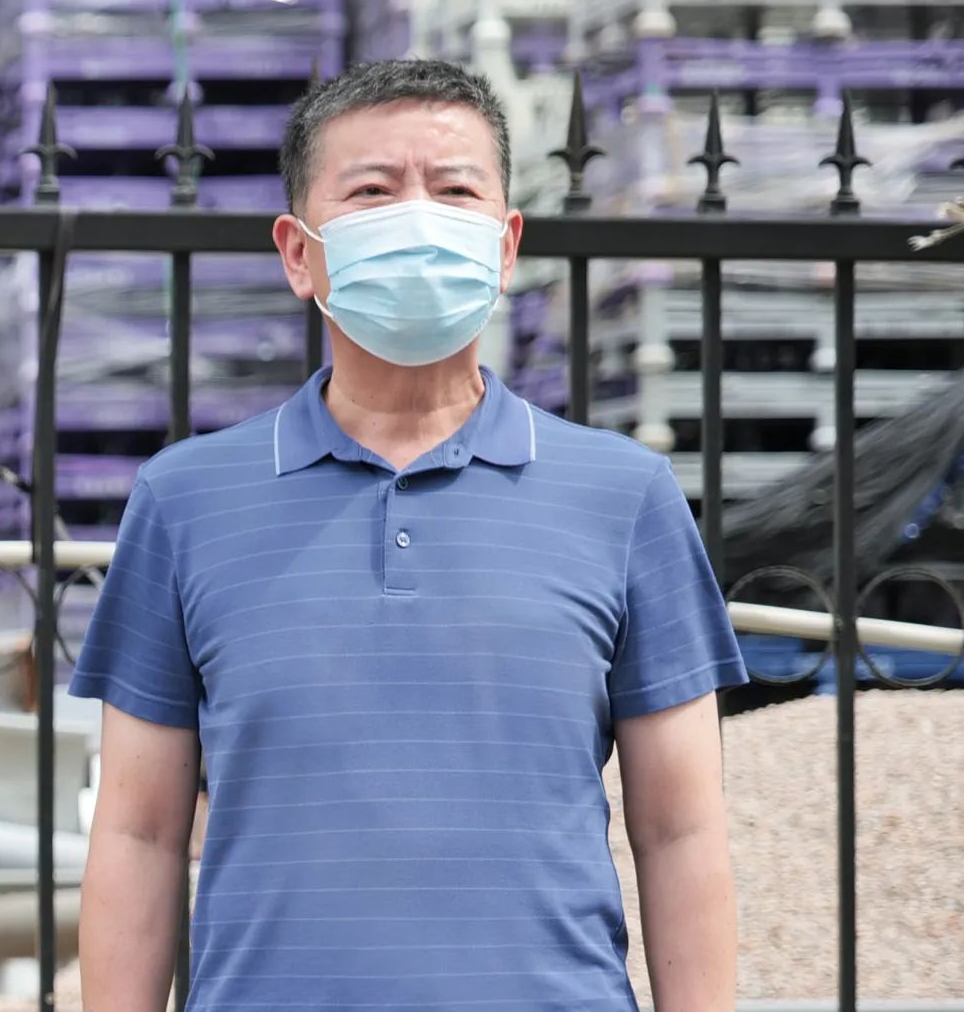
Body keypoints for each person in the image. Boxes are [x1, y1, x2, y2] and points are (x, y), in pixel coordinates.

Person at [69, 58, 749, 1012]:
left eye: (456, 190)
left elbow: (680, 832)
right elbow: (137, 834)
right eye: (373, 191)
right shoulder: (183, 502)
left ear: (506, 245)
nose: (419, 218)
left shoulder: (626, 496)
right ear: (298, 253)